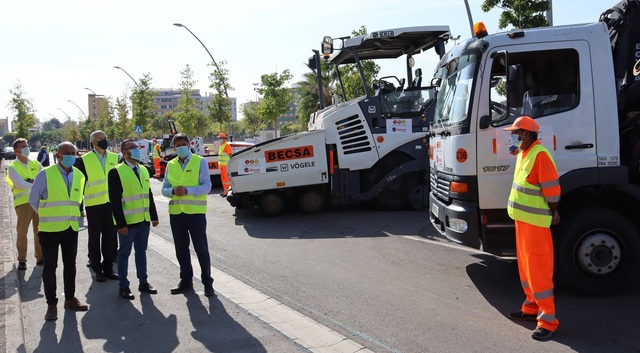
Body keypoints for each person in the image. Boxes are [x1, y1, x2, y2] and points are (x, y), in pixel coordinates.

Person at [503, 116, 561, 341]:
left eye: (516, 133)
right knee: (527, 271)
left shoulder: (540, 155)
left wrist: (554, 212)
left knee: (538, 271)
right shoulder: (524, 153)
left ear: (527, 135)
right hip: (523, 222)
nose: (513, 137)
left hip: (536, 224)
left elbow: (553, 192)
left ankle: (548, 321)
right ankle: (530, 309)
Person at [29, 141, 88, 321]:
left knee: (70, 265)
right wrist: (48, 215)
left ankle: (69, 299)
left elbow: (77, 200)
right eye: (66, 152)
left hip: (71, 228)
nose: (70, 155)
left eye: (73, 152)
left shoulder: (79, 175)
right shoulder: (45, 174)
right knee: (50, 267)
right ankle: (51, 305)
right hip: (50, 230)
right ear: (58, 156)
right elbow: (33, 200)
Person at [162, 133, 215, 296]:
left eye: (184, 144)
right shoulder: (170, 164)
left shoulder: (200, 161)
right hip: (177, 214)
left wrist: (188, 191)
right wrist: (172, 191)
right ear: (174, 147)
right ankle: (186, 281)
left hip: (195, 214)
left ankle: (207, 283)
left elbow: (207, 186)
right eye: (178, 145)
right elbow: (164, 188)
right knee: (181, 249)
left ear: (189, 144)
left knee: (201, 249)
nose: (181, 147)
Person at [108, 139, 159, 300]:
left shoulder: (143, 169)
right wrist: (120, 224)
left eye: (137, 147)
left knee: (141, 252)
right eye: (133, 148)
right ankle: (123, 286)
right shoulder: (116, 172)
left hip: (143, 221)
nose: (137, 150)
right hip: (127, 224)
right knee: (124, 254)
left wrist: (154, 215)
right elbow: (114, 201)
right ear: (124, 153)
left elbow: (148, 194)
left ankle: (143, 282)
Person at [76, 131, 119, 282]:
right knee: (94, 238)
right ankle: (96, 268)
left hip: (111, 204)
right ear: (93, 143)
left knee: (109, 238)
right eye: (101, 139)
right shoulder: (84, 160)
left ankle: (108, 268)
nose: (104, 141)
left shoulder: (114, 157)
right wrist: (78, 206)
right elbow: (79, 184)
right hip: (94, 205)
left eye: (105, 138)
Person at [7, 138, 43, 270]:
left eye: (27, 146)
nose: (27, 148)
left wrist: (30, 183)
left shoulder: (35, 163)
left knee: (39, 231)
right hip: (23, 203)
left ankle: (40, 258)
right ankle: (22, 259)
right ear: (17, 151)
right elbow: (20, 185)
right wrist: (34, 183)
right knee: (22, 232)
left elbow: (43, 180)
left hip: (39, 202)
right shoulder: (12, 167)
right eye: (24, 147)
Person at [217, 132, 232, 197]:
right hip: (221, 165)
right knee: (223, 179)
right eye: (219, 138)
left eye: (220, 138)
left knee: (226, 179)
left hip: (225, 165)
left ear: (224, 138)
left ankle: (228, 192)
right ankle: (225, 191)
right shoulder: (221, 145)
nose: (219, 139)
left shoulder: (227, 145)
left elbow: (230, 155)